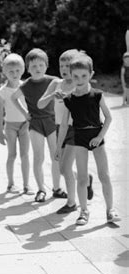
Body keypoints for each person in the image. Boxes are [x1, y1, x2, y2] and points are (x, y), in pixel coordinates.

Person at [56, 53, 120, 225]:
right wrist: (57, 147)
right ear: (71, 75)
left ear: (91, 75)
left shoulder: (97, 95)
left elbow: (108, 118)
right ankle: (84, 211)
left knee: (104, 175)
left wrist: (100, 137)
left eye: (84, 75)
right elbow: (63, 125)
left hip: (96, 137)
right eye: (75, 76)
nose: (80, 79)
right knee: (82, 177)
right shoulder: (69, 99)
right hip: (79, 138)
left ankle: (110, 210)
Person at [38, 49, 94, 214]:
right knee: (63, 168)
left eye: (67, 66)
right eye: (61, 65)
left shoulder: (81, 85)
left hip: (76, 130)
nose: (64, 69)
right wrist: (51, 96)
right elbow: (40, 104)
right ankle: (86, 180)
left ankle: (72, 202)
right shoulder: (56, 83)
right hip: (59, 129)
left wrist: (69, 98)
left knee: (65, 167)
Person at [11, 48, 66, 203]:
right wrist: (24, 114)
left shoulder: (54, 81)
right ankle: (41, 189)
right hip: (35, 123)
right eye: (33, 66)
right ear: (28, 68)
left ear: (46, 66)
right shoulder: (26, 85)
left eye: (41, 65)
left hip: (52, 122)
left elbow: (68, 90)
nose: (37, 69)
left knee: (55, 157)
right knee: (38, 157)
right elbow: (14, 98)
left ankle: (56, 188)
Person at [0, 53, 31, 194]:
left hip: (25, 125)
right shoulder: (2, 92)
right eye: (11, 71)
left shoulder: (26, 87)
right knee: (12, 155)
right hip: (10, 126)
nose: (14, 74)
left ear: (22, 69)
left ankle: (27, 185)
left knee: (25, 155)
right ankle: (10, 184)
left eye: (17, 70)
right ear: (4, 72)